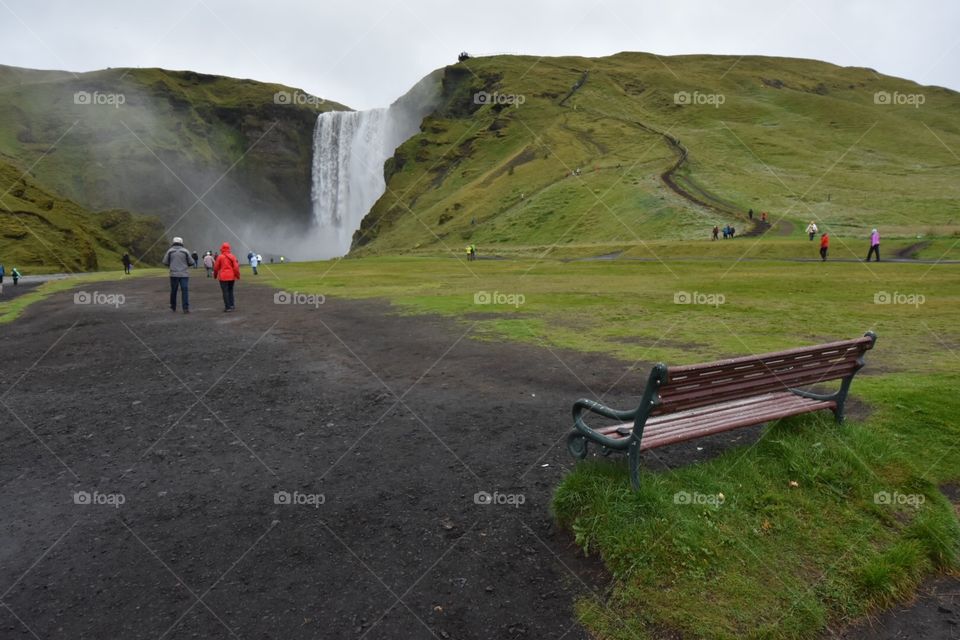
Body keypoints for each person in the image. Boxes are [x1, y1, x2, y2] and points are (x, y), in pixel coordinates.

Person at [162, 236, 194, 313]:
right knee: (184, 291)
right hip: (184, 274)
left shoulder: (170, 251)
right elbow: (191, 262)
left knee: (173, 291)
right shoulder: (185, 251)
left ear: (173, 242)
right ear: (181, 243)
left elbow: (165, 262)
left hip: (173, 274)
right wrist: (185, 265)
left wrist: (172, 264)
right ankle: (185, 308)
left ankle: (173, 307)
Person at [213, 241, 240, 312]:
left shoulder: (220, 257)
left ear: (222, 248)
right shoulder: (233, 256)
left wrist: (215, 275)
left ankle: (227, 307)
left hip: (223, 277)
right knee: (231, 291)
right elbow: (236, 267)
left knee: (225, 292)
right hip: (231, 277)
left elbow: (216, 267)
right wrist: (237, 275)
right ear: (229, 248)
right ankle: (232, 305)